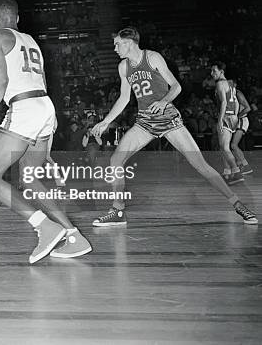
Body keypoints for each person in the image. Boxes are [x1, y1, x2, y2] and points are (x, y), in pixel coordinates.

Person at [90, 28, 257, 226]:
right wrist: (106, 121)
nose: (115, 48)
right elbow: (124, 97)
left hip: (168, 118)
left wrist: (163, 101)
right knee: (115, 160)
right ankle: (117, 211)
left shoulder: (152, 57)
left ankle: (238, 205)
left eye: (118, 43)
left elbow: (176, 86)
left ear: (130, 42)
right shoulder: (123, 67)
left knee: (201, 166)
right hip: (145, 122)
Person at [0, 0, 92, 264]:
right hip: (45, 106)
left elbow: (1, 82)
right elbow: (44, 82)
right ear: (17, 19)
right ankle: (73, 236)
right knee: (30, 179)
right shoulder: (31, 41)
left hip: (24, 107)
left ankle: (44, 227)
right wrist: (47, 131)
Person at [210, 64, 244, 185]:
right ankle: (227, 173)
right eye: (211, 71)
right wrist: (235, 115)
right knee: (224, 147)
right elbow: (236, 102)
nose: (212, 73)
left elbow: (224, 102)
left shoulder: (220, 84)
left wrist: (220, 120)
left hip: (225, 117)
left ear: (221, 71)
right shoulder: (230, 84)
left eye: (214, 71)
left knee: (224, 147)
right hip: (232, 117)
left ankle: (236, 172)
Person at [232, 81, 253, 175]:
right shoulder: (230, 95)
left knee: (233, 145)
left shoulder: (238, 93)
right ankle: (240, 165)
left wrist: (237, 116)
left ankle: (246, 166)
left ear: (235, 85)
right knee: (232, 147)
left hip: (242, 120)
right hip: (237, 121)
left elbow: (248, 108)